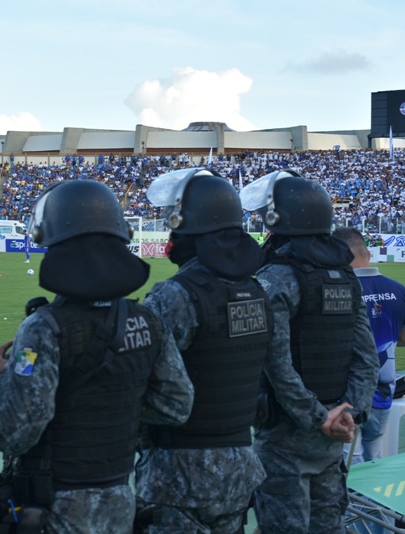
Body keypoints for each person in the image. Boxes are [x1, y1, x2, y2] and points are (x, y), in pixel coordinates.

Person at [0, 180, 194, 533]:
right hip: (119, 500)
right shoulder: (148, 320)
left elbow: (13, 433)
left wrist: (1, 379)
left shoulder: (43, 328)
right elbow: (177, 406)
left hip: (55, 507)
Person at [240, 170, 379, 534]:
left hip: (287, 438)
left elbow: (276, 363)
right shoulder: (345, 277)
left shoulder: (277, 278)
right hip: (335, 433)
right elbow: (367, 356)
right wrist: (349, 414)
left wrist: (318, 416)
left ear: (277, 221)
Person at [135, 168, 273, 533]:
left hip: (178, 472)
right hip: (241, 464)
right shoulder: (257, 292)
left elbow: (139, 377)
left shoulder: (175, 294)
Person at [333, 227, 405, 463]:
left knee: (350, 455)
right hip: (383, 387)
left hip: (346, 389)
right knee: (373, 452)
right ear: (367, 253)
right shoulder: (398, 289)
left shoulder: (338, 291)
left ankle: (355, 499)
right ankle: (377, 498)